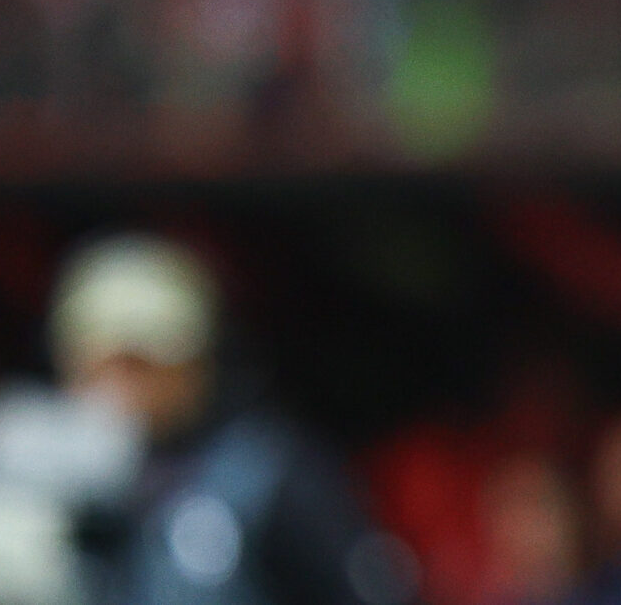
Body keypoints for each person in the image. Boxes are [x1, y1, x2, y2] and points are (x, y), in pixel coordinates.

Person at [49, 234, 413, 605]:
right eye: (102, 364)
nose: (123, 387)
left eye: (143, 364)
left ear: (197, 362)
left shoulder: (269, 472)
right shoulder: (56, 482)